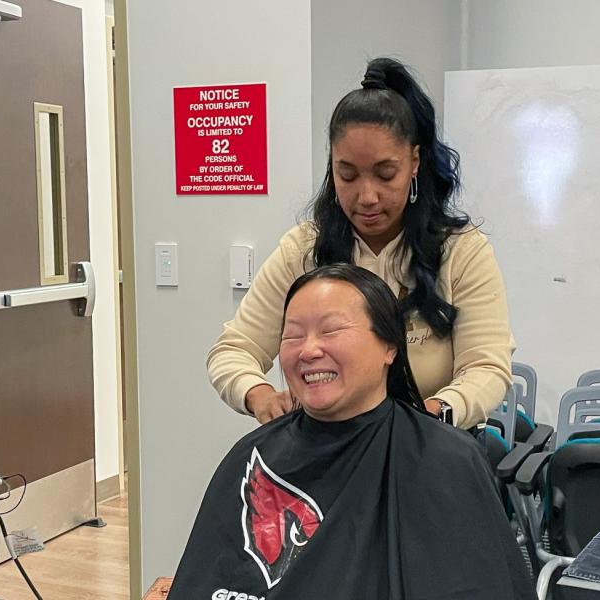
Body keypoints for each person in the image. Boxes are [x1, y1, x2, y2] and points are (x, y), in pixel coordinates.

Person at [170, 265, 536, 600]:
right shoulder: (253, 456)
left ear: (390, 346)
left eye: (331, 330)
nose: (309, 350)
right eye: (293, 335)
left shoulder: (445, 460)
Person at [208, 57, 513, 430]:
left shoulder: (461, 252)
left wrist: (429, 417)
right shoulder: (304, 250)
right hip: (328, 461)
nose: (366, 196)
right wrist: (259, 396)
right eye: (347, 175)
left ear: (414, 162)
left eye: (386, 174)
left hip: (431, 450)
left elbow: (487, 367)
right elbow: (233, 351)